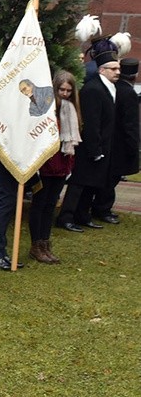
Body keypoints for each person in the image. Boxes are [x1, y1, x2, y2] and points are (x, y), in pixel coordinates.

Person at [56, 47, 121, 232]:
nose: (117, 72)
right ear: (102, 70)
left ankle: (82, 215)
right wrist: (95, 149)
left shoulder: (108, 88)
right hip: (90, 148)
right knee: (79, 184)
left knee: (92, 184)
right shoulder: (94, 89)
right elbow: (92, 123)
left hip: (102, 146)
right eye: (113, 69)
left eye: (118, 68)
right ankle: (66, 217)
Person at [28, 71, 82, 263]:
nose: (65, 94)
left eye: (68, 90)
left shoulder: (71, 109)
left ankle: (45, 242)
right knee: (40, 203)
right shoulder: (45, 108)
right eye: (61, 89)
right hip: (45, 163)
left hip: (62, 161)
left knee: (51, 204)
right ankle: (36, 244)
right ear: (55, 88)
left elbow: (72, 138)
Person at [91, 57, 139, 223]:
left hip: (109, 140)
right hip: (120, 143)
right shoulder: (128, 93)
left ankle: (100, 206)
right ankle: (102, 208)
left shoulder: (113, 88)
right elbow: (130, 123)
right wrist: (134, 145)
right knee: (111, 179)